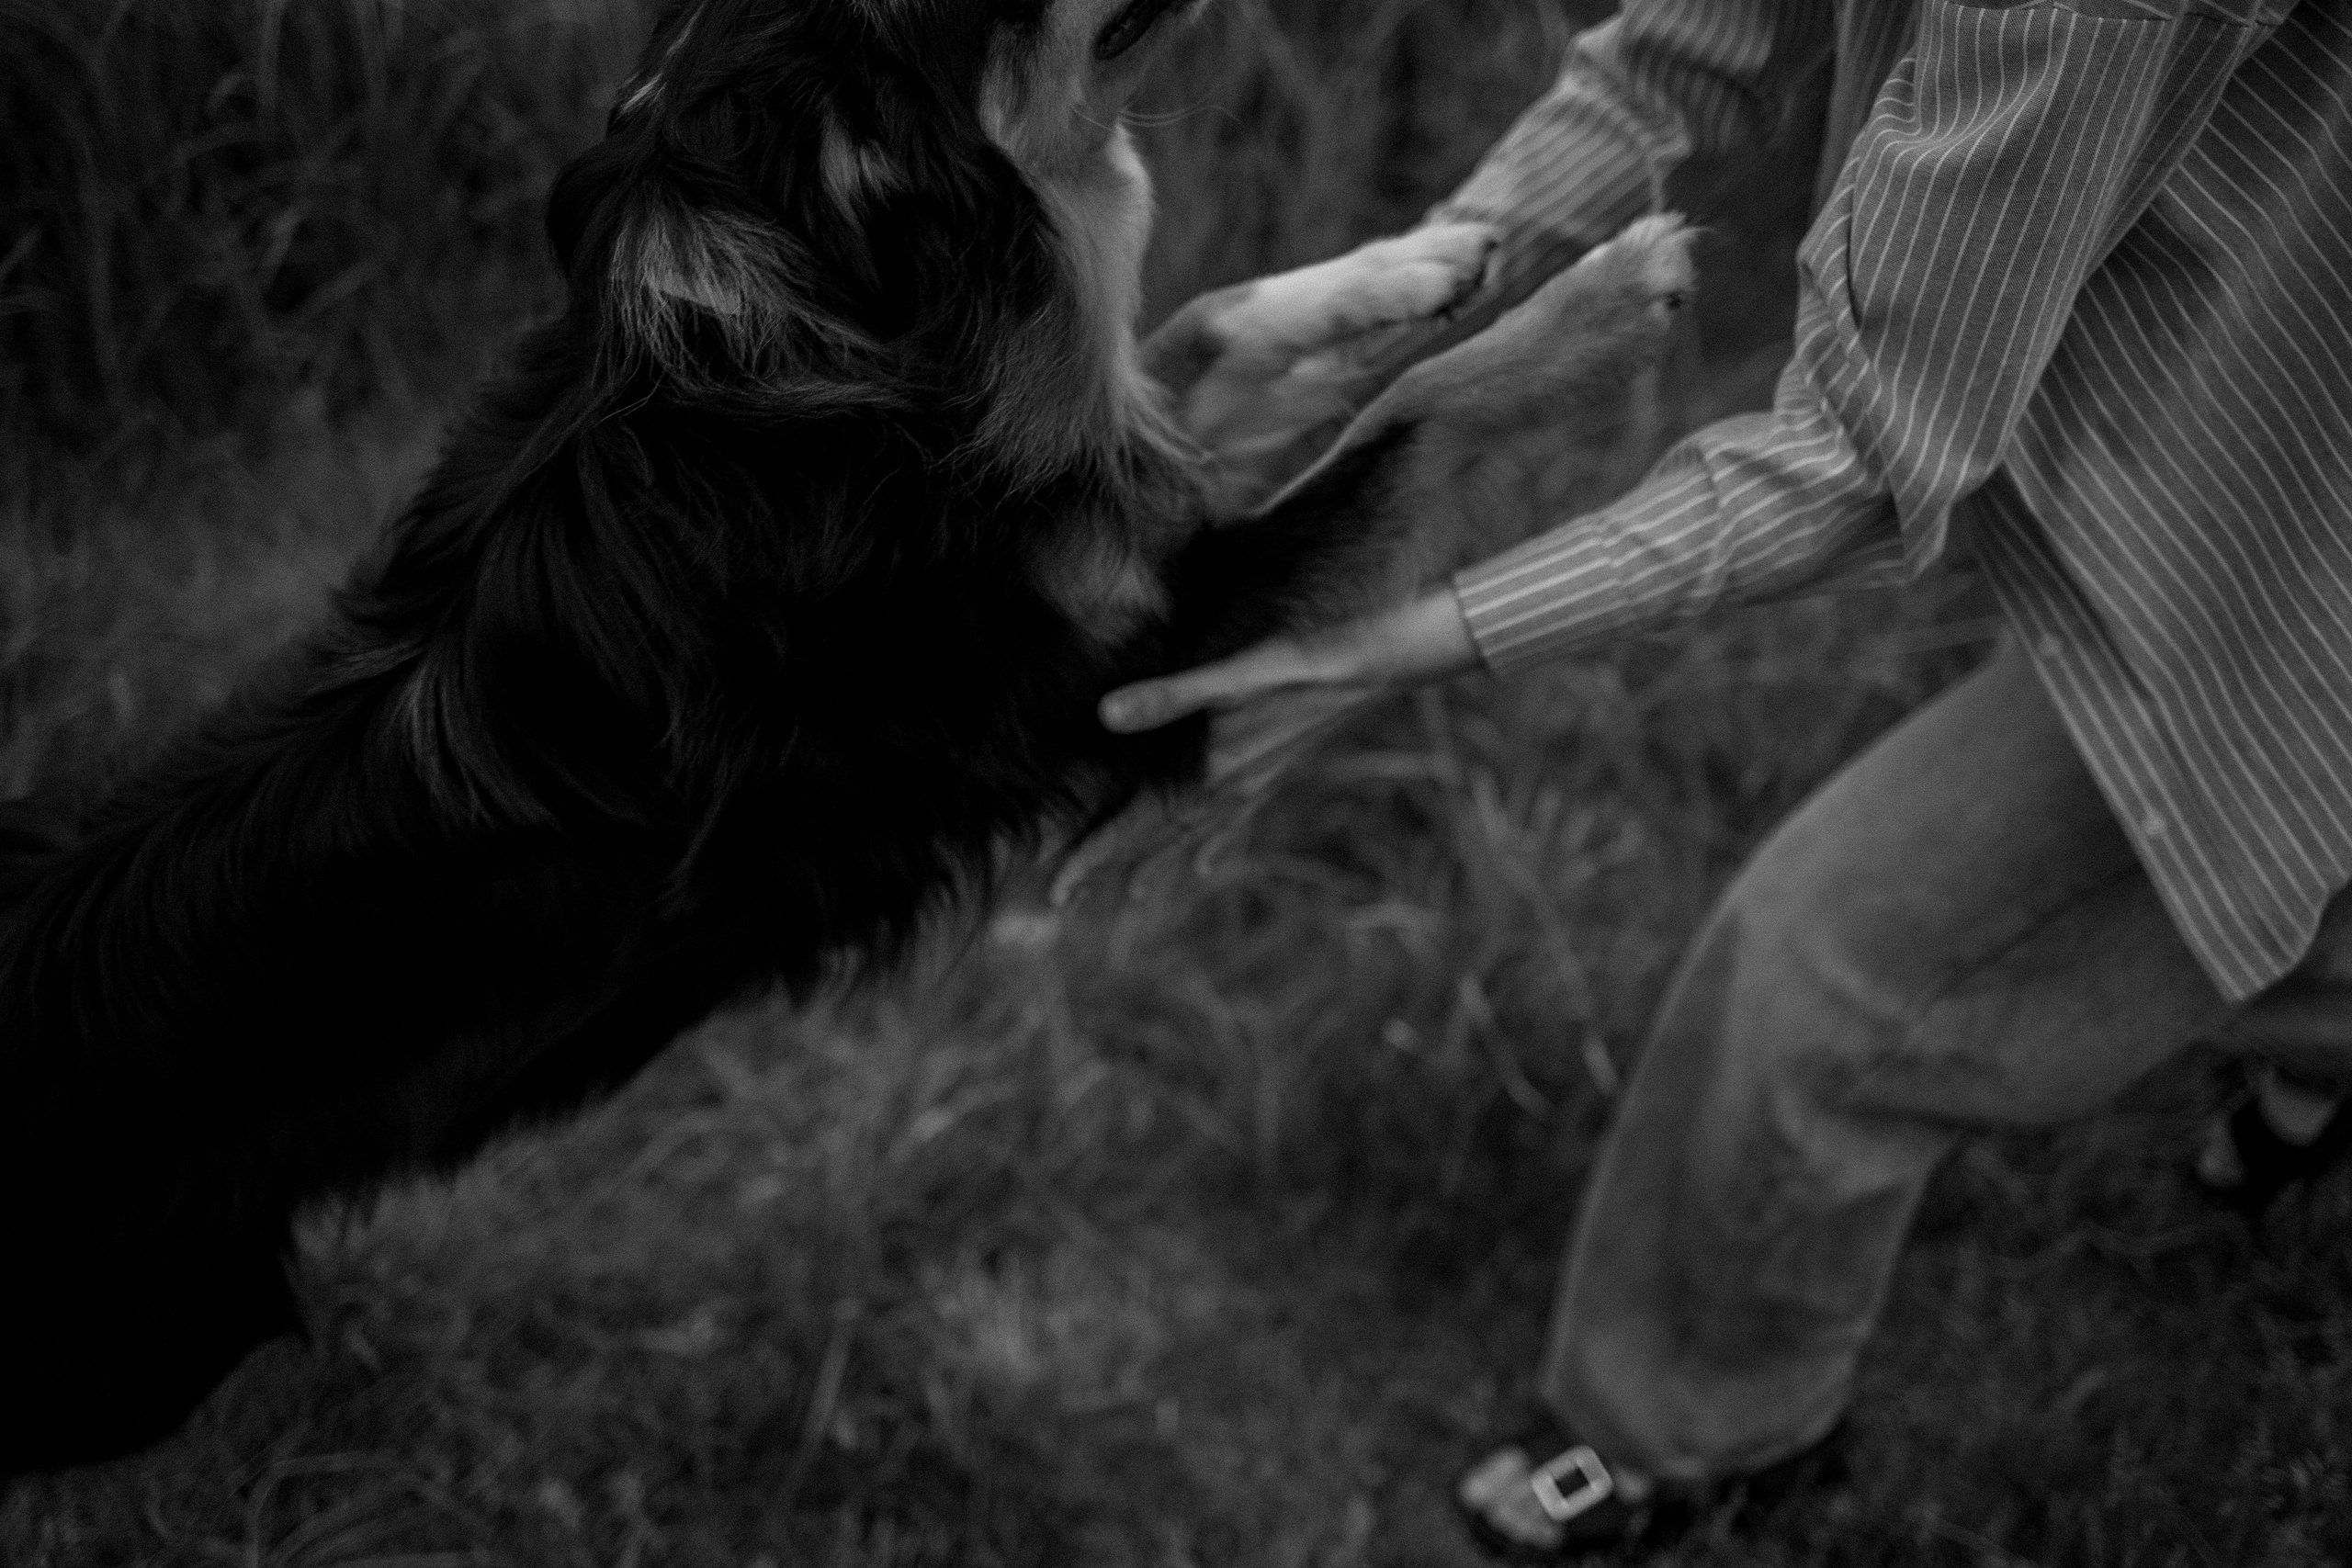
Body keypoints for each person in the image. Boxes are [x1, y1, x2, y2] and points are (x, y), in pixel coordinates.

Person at [1101, 0, 2352, 1557]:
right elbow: (1687, 52)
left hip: (2295, 555)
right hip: (2209, 424)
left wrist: (1384, 650)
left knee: (1819, 983)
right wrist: (1398, 310)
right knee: (2233, 877)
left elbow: (1858, 455)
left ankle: (1695, 1435)